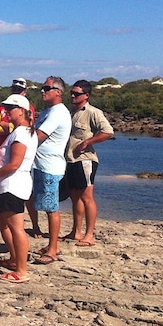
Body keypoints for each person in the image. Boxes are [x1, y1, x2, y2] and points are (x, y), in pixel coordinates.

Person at [62, 80, 114, 246]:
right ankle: (76, 231)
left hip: (85, 160)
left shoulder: (93, 112)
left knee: (86, 196)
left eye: (76, 93)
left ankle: (89, 235)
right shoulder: (70, 112)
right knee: (74, 196)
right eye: (71, 92)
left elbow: (108, 132)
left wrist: (87, 142)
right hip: (70, 159)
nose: (72, 96)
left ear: (86, 95)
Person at [0, 94, 38, 282]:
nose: (6, 111)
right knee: (5, 223)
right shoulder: (23, 131)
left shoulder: (21, 133)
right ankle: (15, 260)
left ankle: (21, 270)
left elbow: (14, 164)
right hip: (13, 183)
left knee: (16, 227)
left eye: (10, 108)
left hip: (13, 183)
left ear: (22, 111)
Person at [28, 76, 72, 265]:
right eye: (42, 87)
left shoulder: (57, 113)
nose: (42, 91)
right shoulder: (48, 111)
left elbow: (37, 136)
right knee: (45, 206)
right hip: (40, 165)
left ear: (58, 92)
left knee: (51, 208)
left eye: (46, 88)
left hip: (49, 167)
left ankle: (53, 248)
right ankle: (51, 244)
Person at [0, 78, 33, 148]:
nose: (16, 92)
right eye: (14, 89)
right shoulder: (0, 108)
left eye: (19, 90)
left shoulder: (28, 108)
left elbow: (28, 127)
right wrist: (11, 128)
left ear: (25, 92)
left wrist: (4, 124)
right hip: (0, 147)